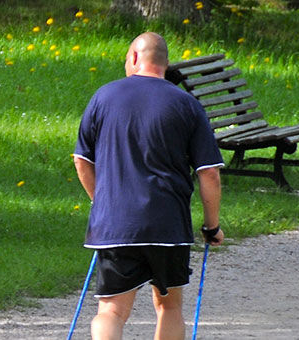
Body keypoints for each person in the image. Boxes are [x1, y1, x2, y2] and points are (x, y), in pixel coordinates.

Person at [72, 32, 225, 340]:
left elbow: (81, 160)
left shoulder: (104, 96)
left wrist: (100, 201)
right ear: (165, 66)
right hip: (168, 224)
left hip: (114, 224)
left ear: (134, 58)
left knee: (110, 311)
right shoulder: (187, 104)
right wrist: (211, 227)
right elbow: (209, 173)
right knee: (168, 307)